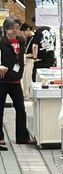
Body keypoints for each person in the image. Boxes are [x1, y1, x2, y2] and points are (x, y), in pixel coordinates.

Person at [0, 17, 35, 148]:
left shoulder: (21, 40)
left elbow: (20, 58)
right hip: (2, 81)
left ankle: (22, 137)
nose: (15, 30)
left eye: (17, 28)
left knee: (21, 109)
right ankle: (0, 137)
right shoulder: (1, 41)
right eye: (12, 28)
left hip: (15, 80)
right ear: (5, 28)